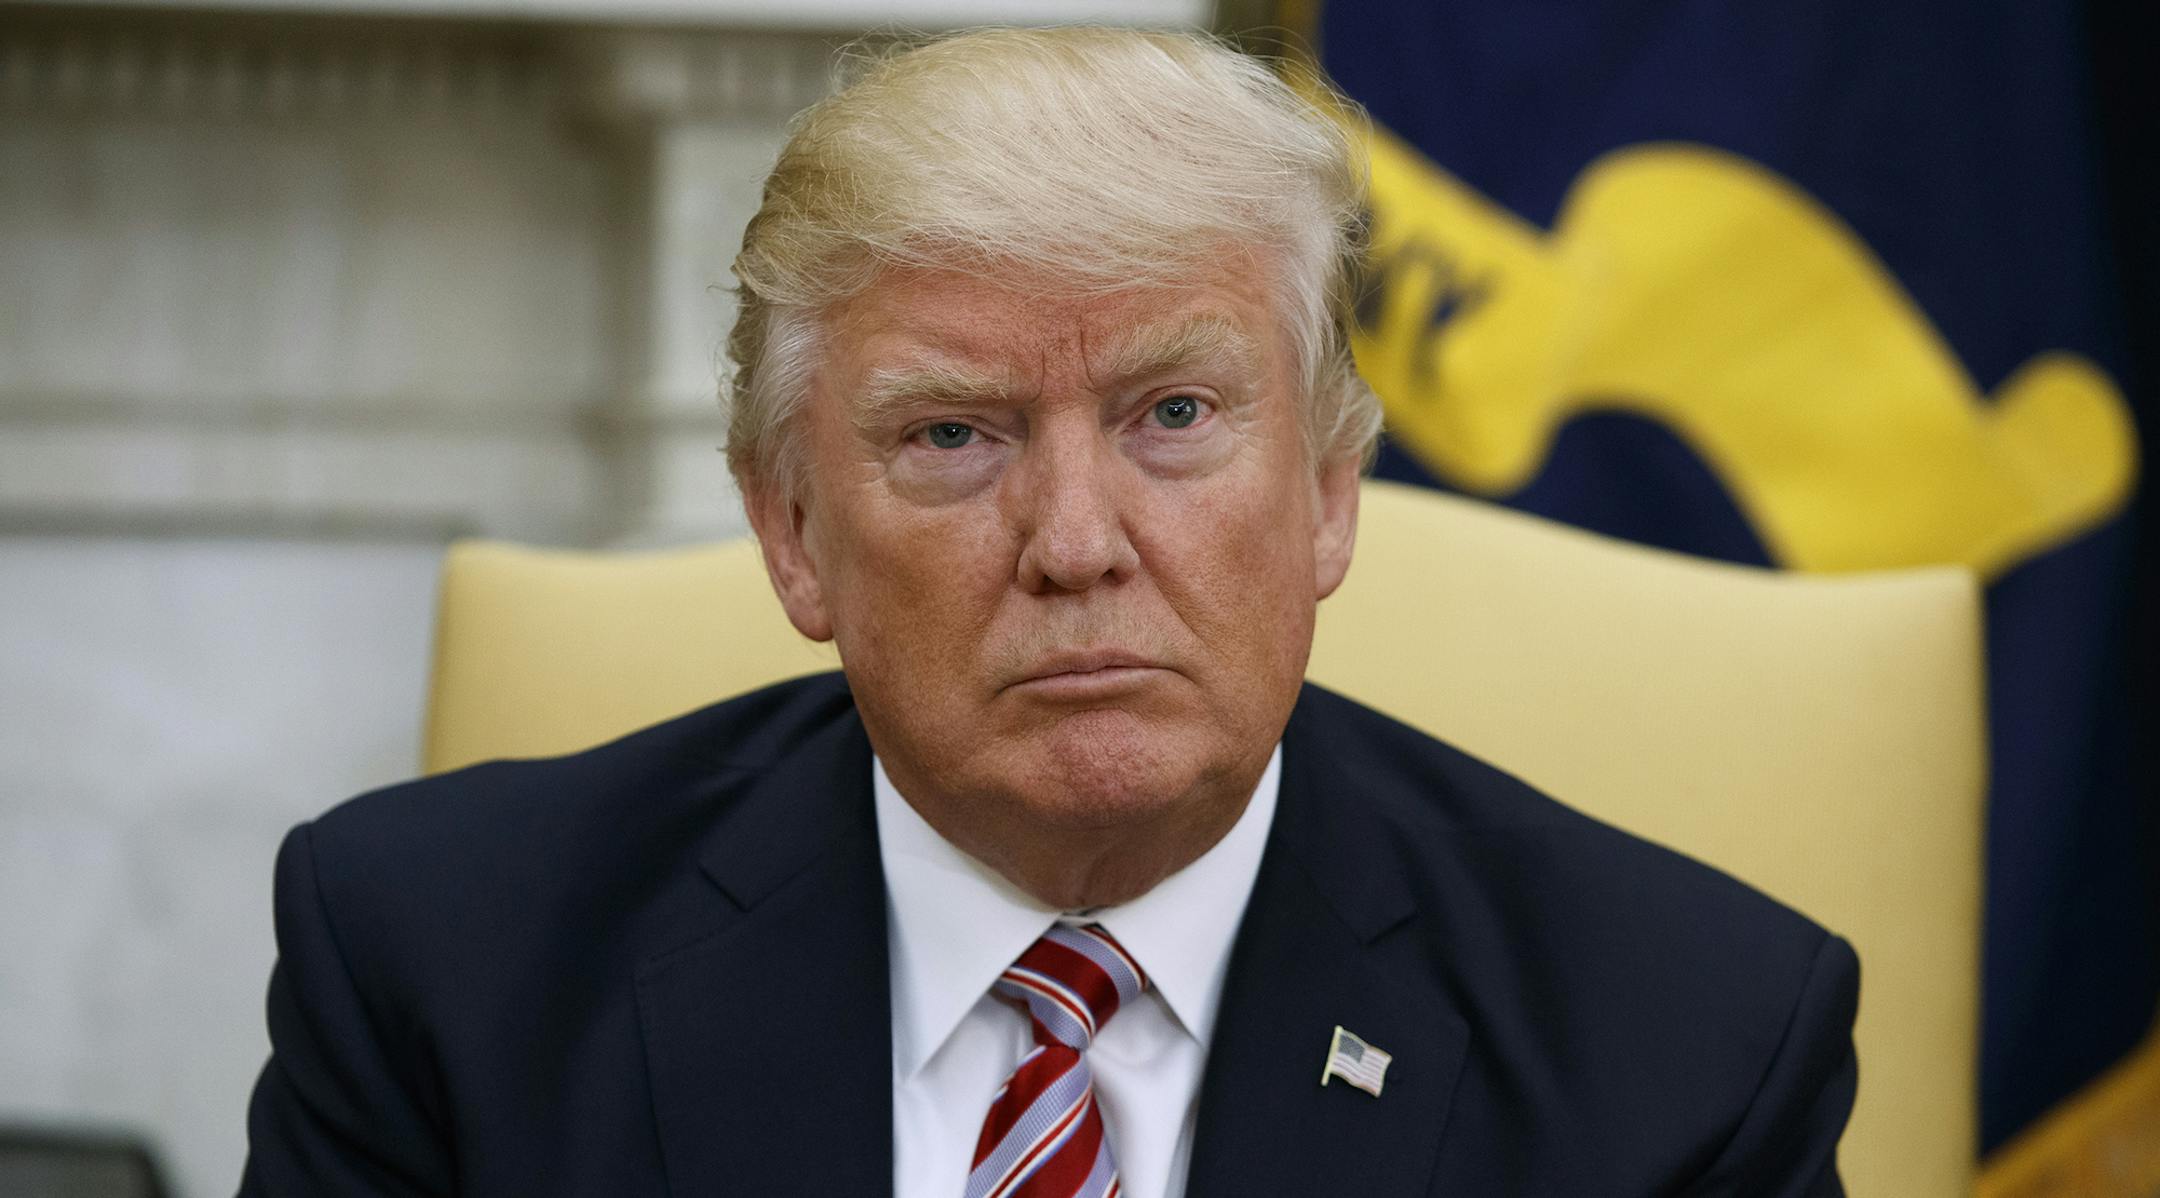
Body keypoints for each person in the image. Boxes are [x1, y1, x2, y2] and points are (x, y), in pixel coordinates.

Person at [238, 26, 1857, 1198]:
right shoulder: (439, 977)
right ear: (790, 530)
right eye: (954, 433)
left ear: (1331, 496)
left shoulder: (1685, 1047)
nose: (1076, 542)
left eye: (1174, 415)